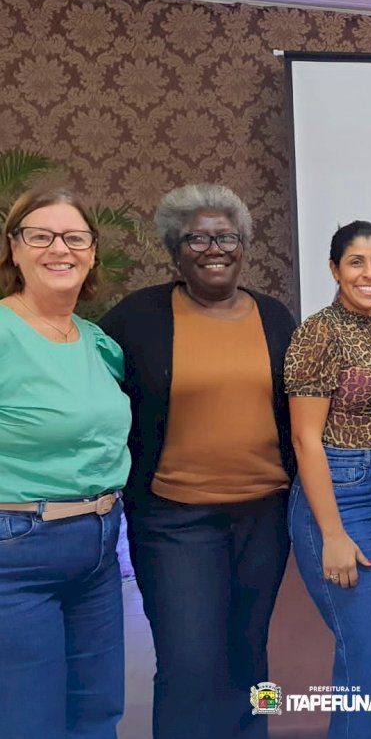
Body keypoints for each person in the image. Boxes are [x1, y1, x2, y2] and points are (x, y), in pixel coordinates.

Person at [99, 183, 295, 739]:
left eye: (226, 236)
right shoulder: (138, 317)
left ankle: (255, 731)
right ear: (175, 251)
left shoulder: (275, 317)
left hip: (265, 516)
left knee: (253, 653)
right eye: (198, 238)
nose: (215, 248)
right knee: (190, 664)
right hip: (174, 520)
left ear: (244, 244)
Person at [0, 187, 131, 739]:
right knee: (32, 722)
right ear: (14, 248)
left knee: (99, 714)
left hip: (99, 551)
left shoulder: (99, 343)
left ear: (93, 252)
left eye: (75, 237)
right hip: (17, 556)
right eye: (41, 235)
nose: (61, 248)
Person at [285, 220, 371, 739]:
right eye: (356, 262)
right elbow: (305, 440)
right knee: (369, 664)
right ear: (335, 269)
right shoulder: (317, 332)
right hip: (342, 497)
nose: (369, 273)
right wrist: (333, 535)